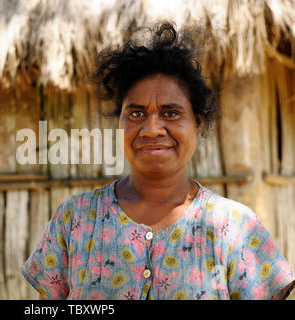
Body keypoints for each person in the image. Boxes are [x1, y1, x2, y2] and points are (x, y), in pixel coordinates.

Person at [22, 22, 295, 300]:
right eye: (137, 114)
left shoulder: (234, 227)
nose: (152, 129)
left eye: (171, 113)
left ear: (198, 124)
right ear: (120, 123)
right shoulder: (75, 220)